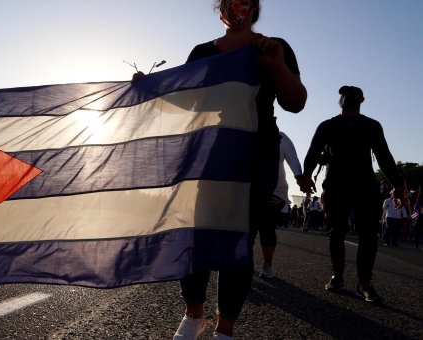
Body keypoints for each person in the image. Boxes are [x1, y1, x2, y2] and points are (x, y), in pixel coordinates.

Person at [164, 1, 307, 339]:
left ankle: (224, 329)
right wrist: (150, 90)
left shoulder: (274, 46)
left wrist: (276, 67)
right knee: (198, 233)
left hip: (256, 152)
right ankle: (193, 314)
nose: (235, 6)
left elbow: (296, 101)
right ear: (220, 8)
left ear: (254, 7)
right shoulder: (202, 52)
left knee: (240, 239)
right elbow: (187, 99)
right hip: (211, 151)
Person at [299, 85, 403, 304]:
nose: (348, 97)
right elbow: (313, 152)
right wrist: (306, 176)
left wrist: (398, 186)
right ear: (340, 100)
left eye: (352, 94)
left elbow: (384, 157)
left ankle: (364, 283)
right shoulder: (328, 126)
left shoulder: (371, 126)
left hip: (365, 184)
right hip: (337, 184)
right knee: (336, 231)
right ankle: (337, 277)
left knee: (368, 234)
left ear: (362, 100)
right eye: (344, 94)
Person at [257, 131, 303, 279]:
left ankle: (267, 264)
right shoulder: (244, 129)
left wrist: (300, 178)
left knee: (266, 227)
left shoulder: (280, 137)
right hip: (248, 188)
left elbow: (293, 159)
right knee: (246, 229)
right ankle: (242, 264)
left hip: (275, 191)